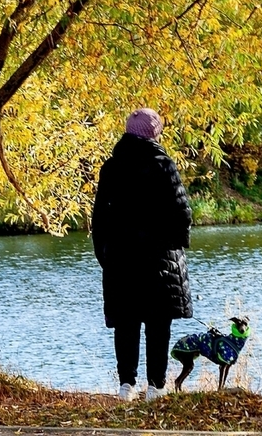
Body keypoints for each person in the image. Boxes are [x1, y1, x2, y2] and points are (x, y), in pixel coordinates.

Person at [92, 107, 192, 401]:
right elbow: (182, 211)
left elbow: (99, 218)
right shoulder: (163, 164)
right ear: (154, 133)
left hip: (121, 259)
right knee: (158, 323)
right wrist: (175, 244)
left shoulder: (111, 167)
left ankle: (126, 386)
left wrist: (105, 254)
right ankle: (156, 387)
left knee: (126, 322)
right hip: (158, 257)